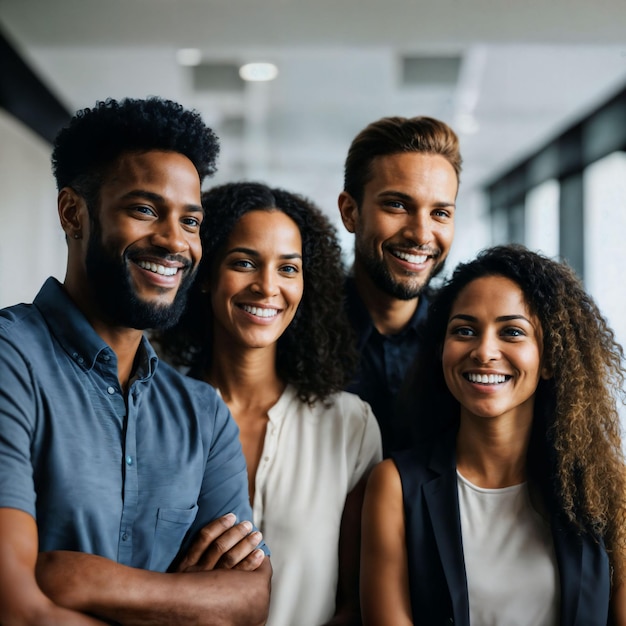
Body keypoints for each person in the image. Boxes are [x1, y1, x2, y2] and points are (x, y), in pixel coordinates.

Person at [0, 97, 271, 626]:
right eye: (144, 210)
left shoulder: (202, 414)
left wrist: (75, 577)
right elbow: (16, 605)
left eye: (190, 221)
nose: (174, 241)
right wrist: (180, 600)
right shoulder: (11, 359)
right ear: (73, 213)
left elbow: (249, 601)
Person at [360, 244, 626, 625]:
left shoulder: (608, 488)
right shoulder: (396, 487)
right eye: (465, 330)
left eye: (512, 332)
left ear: (550, 358)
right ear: (442, 351)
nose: (484, 351)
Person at [156, 181, 382, 626]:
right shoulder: (153, 416)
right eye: (244, 263)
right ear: (205, 276)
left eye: (288, 269)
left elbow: (354, 605)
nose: (266, 287)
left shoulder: (349, 425)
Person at [338, 115, 461, 455]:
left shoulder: (464, 342)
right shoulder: (294, 332)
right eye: (397, 205)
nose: (421, 234)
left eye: (440, 213)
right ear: (350, 212)